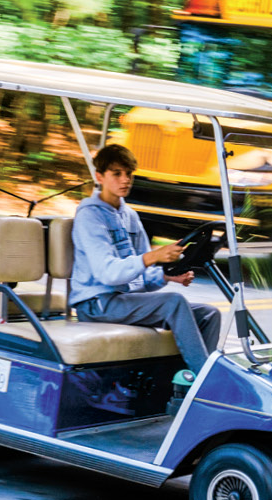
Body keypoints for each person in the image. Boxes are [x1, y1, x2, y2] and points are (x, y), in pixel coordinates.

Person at [69, 144, 221, 372]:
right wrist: (153, 256)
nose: (125, 180)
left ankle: (185, 382)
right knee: (174, 303)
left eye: (129, 174)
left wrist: (167, 276)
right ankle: (205, 382)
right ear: (99, 177)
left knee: (210, 314)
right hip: (95, 304)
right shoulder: (89, 216)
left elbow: (140, 278)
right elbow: (108, 273)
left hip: (122, 301)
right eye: (117, 174)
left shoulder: (129, 216)